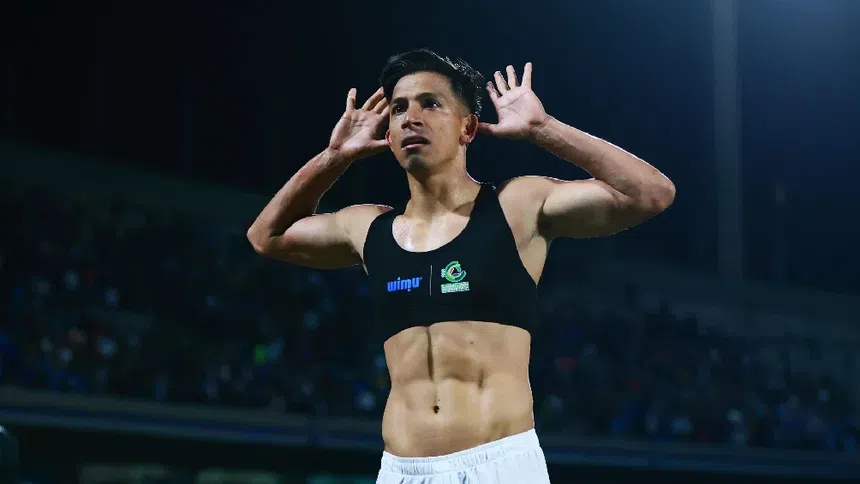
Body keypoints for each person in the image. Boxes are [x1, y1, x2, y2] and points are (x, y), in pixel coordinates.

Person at [247, 49, 675, 483]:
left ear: (468, 127)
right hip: (401, 471)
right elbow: (266, 236)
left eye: (430, 104)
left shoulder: (516, 208)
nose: (411, 118)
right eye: (399, 108)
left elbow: (651, 193)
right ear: (388, 135)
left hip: (498, 464)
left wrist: (544, 129)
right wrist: (334, 156)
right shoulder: (368, 229)